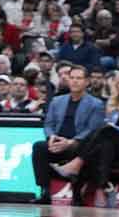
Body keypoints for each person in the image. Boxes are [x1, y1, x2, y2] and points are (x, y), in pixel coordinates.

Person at [53, 67, 119, 206]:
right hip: (113, 145)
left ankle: (77, 165)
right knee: (104, 145)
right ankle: (99, 188)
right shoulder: (113, 103)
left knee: (106, 131)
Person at [31, 65, 104, 203]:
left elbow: (93, 129)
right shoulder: (57, 101)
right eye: (72, 78)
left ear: (87, 82)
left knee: (89, 149)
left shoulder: (96, 104)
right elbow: (48, 124)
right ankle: (45, 191)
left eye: (79, 78)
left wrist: (71, 142)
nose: (75, 81)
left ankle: (77, 194)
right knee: (39, 147)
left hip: (80, 145)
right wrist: (51, 137)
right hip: (57, 142)